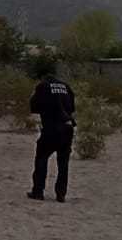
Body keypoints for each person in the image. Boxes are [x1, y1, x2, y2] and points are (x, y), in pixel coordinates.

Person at [27, 71, 76, 203]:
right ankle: (61, 194)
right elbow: (71, 108)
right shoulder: (66, 86)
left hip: (51, 128)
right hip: (67, 128)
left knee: (41, 159)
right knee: (63, 163)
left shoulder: (42, 86)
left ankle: (38, 191)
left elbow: (34, 106)